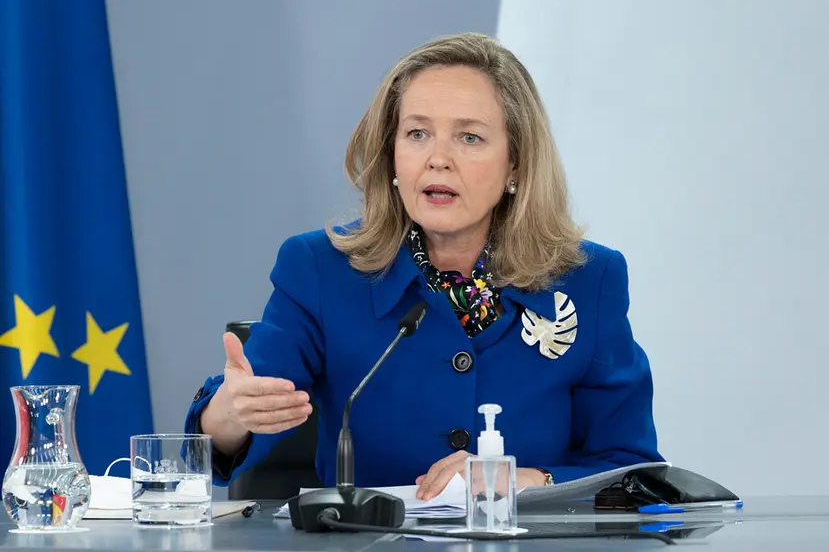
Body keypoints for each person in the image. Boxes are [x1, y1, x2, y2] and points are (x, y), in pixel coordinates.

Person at [185, 32, 664, 500]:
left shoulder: (588, 278)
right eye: (417, 133)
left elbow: (632, 468)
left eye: (469, 137)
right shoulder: (318, 269)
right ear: (392, 154)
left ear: (516, 164)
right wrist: (228, 415)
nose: (438, 159)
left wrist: (533, 480)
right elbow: (243, 416)